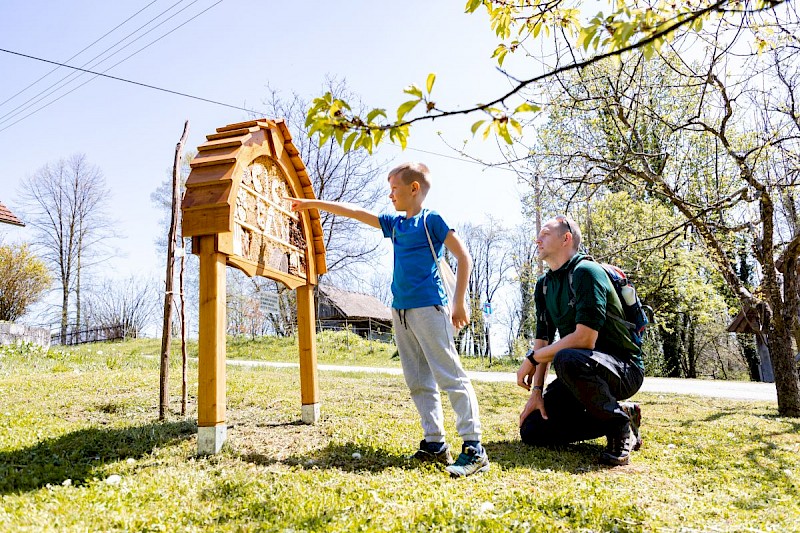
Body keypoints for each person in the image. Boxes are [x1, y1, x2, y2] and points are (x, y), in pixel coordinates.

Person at [287, 162, 489, 478]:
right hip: (400, 311)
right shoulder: (395, 224)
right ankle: (434, 444)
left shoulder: (431, 220)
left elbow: (463, 256)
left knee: (450, 376)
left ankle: (474, 448)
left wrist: (459, 302)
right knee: (418, 381)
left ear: (414, 189)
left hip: (430, 308)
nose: (390, 195)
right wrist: (311, 203)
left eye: (395, 188)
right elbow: (355, 212)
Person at [517, 215, 644, 466]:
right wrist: (537, 392)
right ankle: (624, 414)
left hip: (622, 369)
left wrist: (532, 359)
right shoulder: (544, 285)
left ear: (566, 238)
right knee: (533, 429)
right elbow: (543, 339)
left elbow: (585, 339)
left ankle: (618, 426)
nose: (537, 240)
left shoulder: (586, 272)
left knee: (567, 357)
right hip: (579, 369)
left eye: (545, 234)